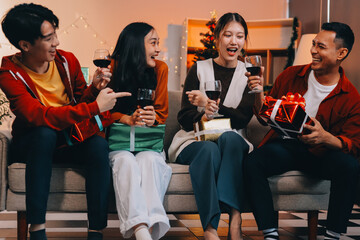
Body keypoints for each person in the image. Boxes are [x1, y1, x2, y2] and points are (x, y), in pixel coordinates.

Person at [0, 3, 131, 240]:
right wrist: (95, 107)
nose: (57, 43)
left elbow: (79, 101)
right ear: (25, 45)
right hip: (33, 143)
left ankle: (96, 231)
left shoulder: (66, 61)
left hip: (68, 138)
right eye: (49, 38)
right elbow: (38, 116)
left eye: (55, 34)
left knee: (98, 145)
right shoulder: (9, 74)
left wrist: (94, 89)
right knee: (44, 133)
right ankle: (37, 229)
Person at [245, 22, 360, 240]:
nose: (313, 51)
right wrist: (259, 95)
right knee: (253, 161)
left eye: (321, 47)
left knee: (351, 166)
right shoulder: (291, 75)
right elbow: (264, 117)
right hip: (287, 147)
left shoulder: (351, 97)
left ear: (341, 53)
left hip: (322, 154)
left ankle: (333, 234)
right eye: (314, 44)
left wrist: (326, 137)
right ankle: (270, 232)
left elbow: (354, 145)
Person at [168, 12, 255, 240]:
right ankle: (210, 227)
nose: (233, 41)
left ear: (244, 40)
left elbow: (242, 119)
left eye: (239, 36)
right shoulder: (198, 69)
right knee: (209, 149)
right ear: (217, 38)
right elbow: (184, 117)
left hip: (231, 139)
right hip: (195, 137)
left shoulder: (248, 74)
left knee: (230, 138)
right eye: (227, 35)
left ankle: (235, 219)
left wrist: (210, 105)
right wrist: (202, 114)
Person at [108, 22, 172, 240]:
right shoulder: (111, 68)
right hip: (119, 143)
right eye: (153, 43)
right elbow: (100, 111)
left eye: (158, 43)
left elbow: (162, 113)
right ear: (136, 45)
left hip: (148, 143)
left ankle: (151, 227)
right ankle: (141, 229)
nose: (158, 49)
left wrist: (153, 118)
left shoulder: (160, 69)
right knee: (125, 161)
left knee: (150, 161)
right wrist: (126, 118)